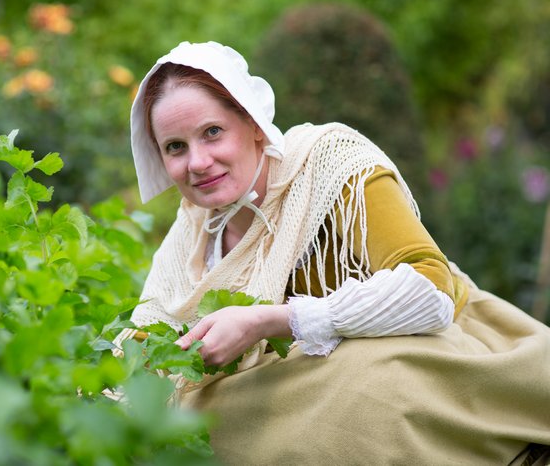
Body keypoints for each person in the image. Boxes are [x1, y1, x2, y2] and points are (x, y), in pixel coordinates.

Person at [117, 41, 550, 464]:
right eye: (176, 147)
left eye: (212, 133)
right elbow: (145, 335)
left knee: (365, 391)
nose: (197, 162)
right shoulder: (194, 226)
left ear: (252, 123)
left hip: (431, 356)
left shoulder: (328, 166)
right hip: (301, 394)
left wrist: (271, 320)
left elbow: (429, 292)